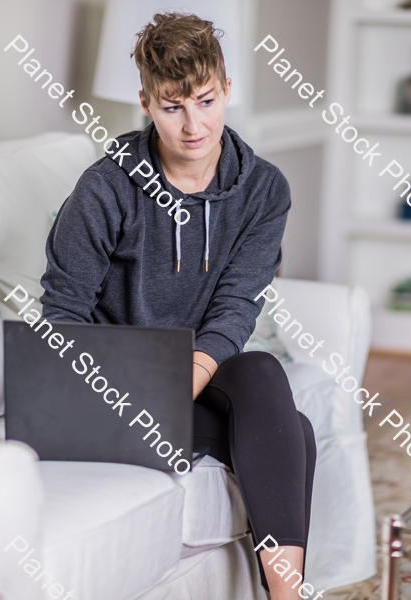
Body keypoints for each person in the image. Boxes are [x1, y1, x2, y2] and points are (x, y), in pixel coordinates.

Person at [39, 12, 316, 600]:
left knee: (266, 379)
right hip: (109, 388)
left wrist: (185, 376)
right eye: (172, 107)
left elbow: (236, 306)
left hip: (193, 377)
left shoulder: (264, 190)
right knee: (294, 433)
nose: (193, 125)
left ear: (227, 90)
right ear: (145, 103)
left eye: (206, 101)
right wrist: (143, 387)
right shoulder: (105, 188)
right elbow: (62, 318)